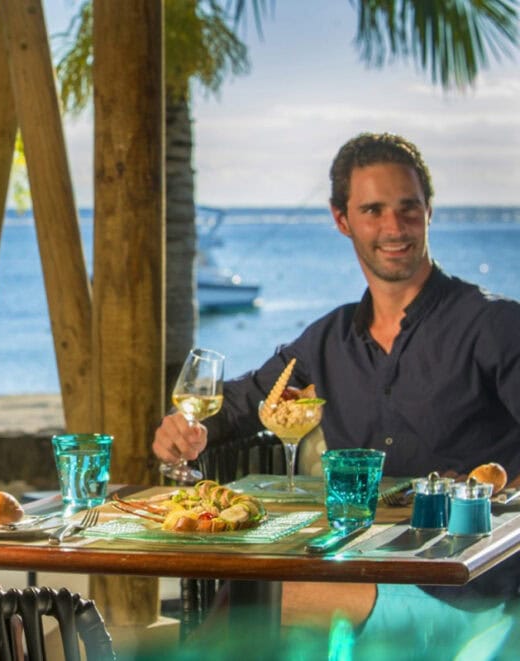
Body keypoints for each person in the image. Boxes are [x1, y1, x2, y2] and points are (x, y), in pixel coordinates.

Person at [153, 133, 520, 649]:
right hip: (360, 568)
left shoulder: (494, 326)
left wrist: (490, 490)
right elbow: (245, 401)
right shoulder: (328, 340)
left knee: (262, 599)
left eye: (407, 208)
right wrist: (188, 430)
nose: (394, 228)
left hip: (468, 594)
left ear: (429, 212)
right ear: (342, 220)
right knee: (254, 586)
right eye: (373, 210)